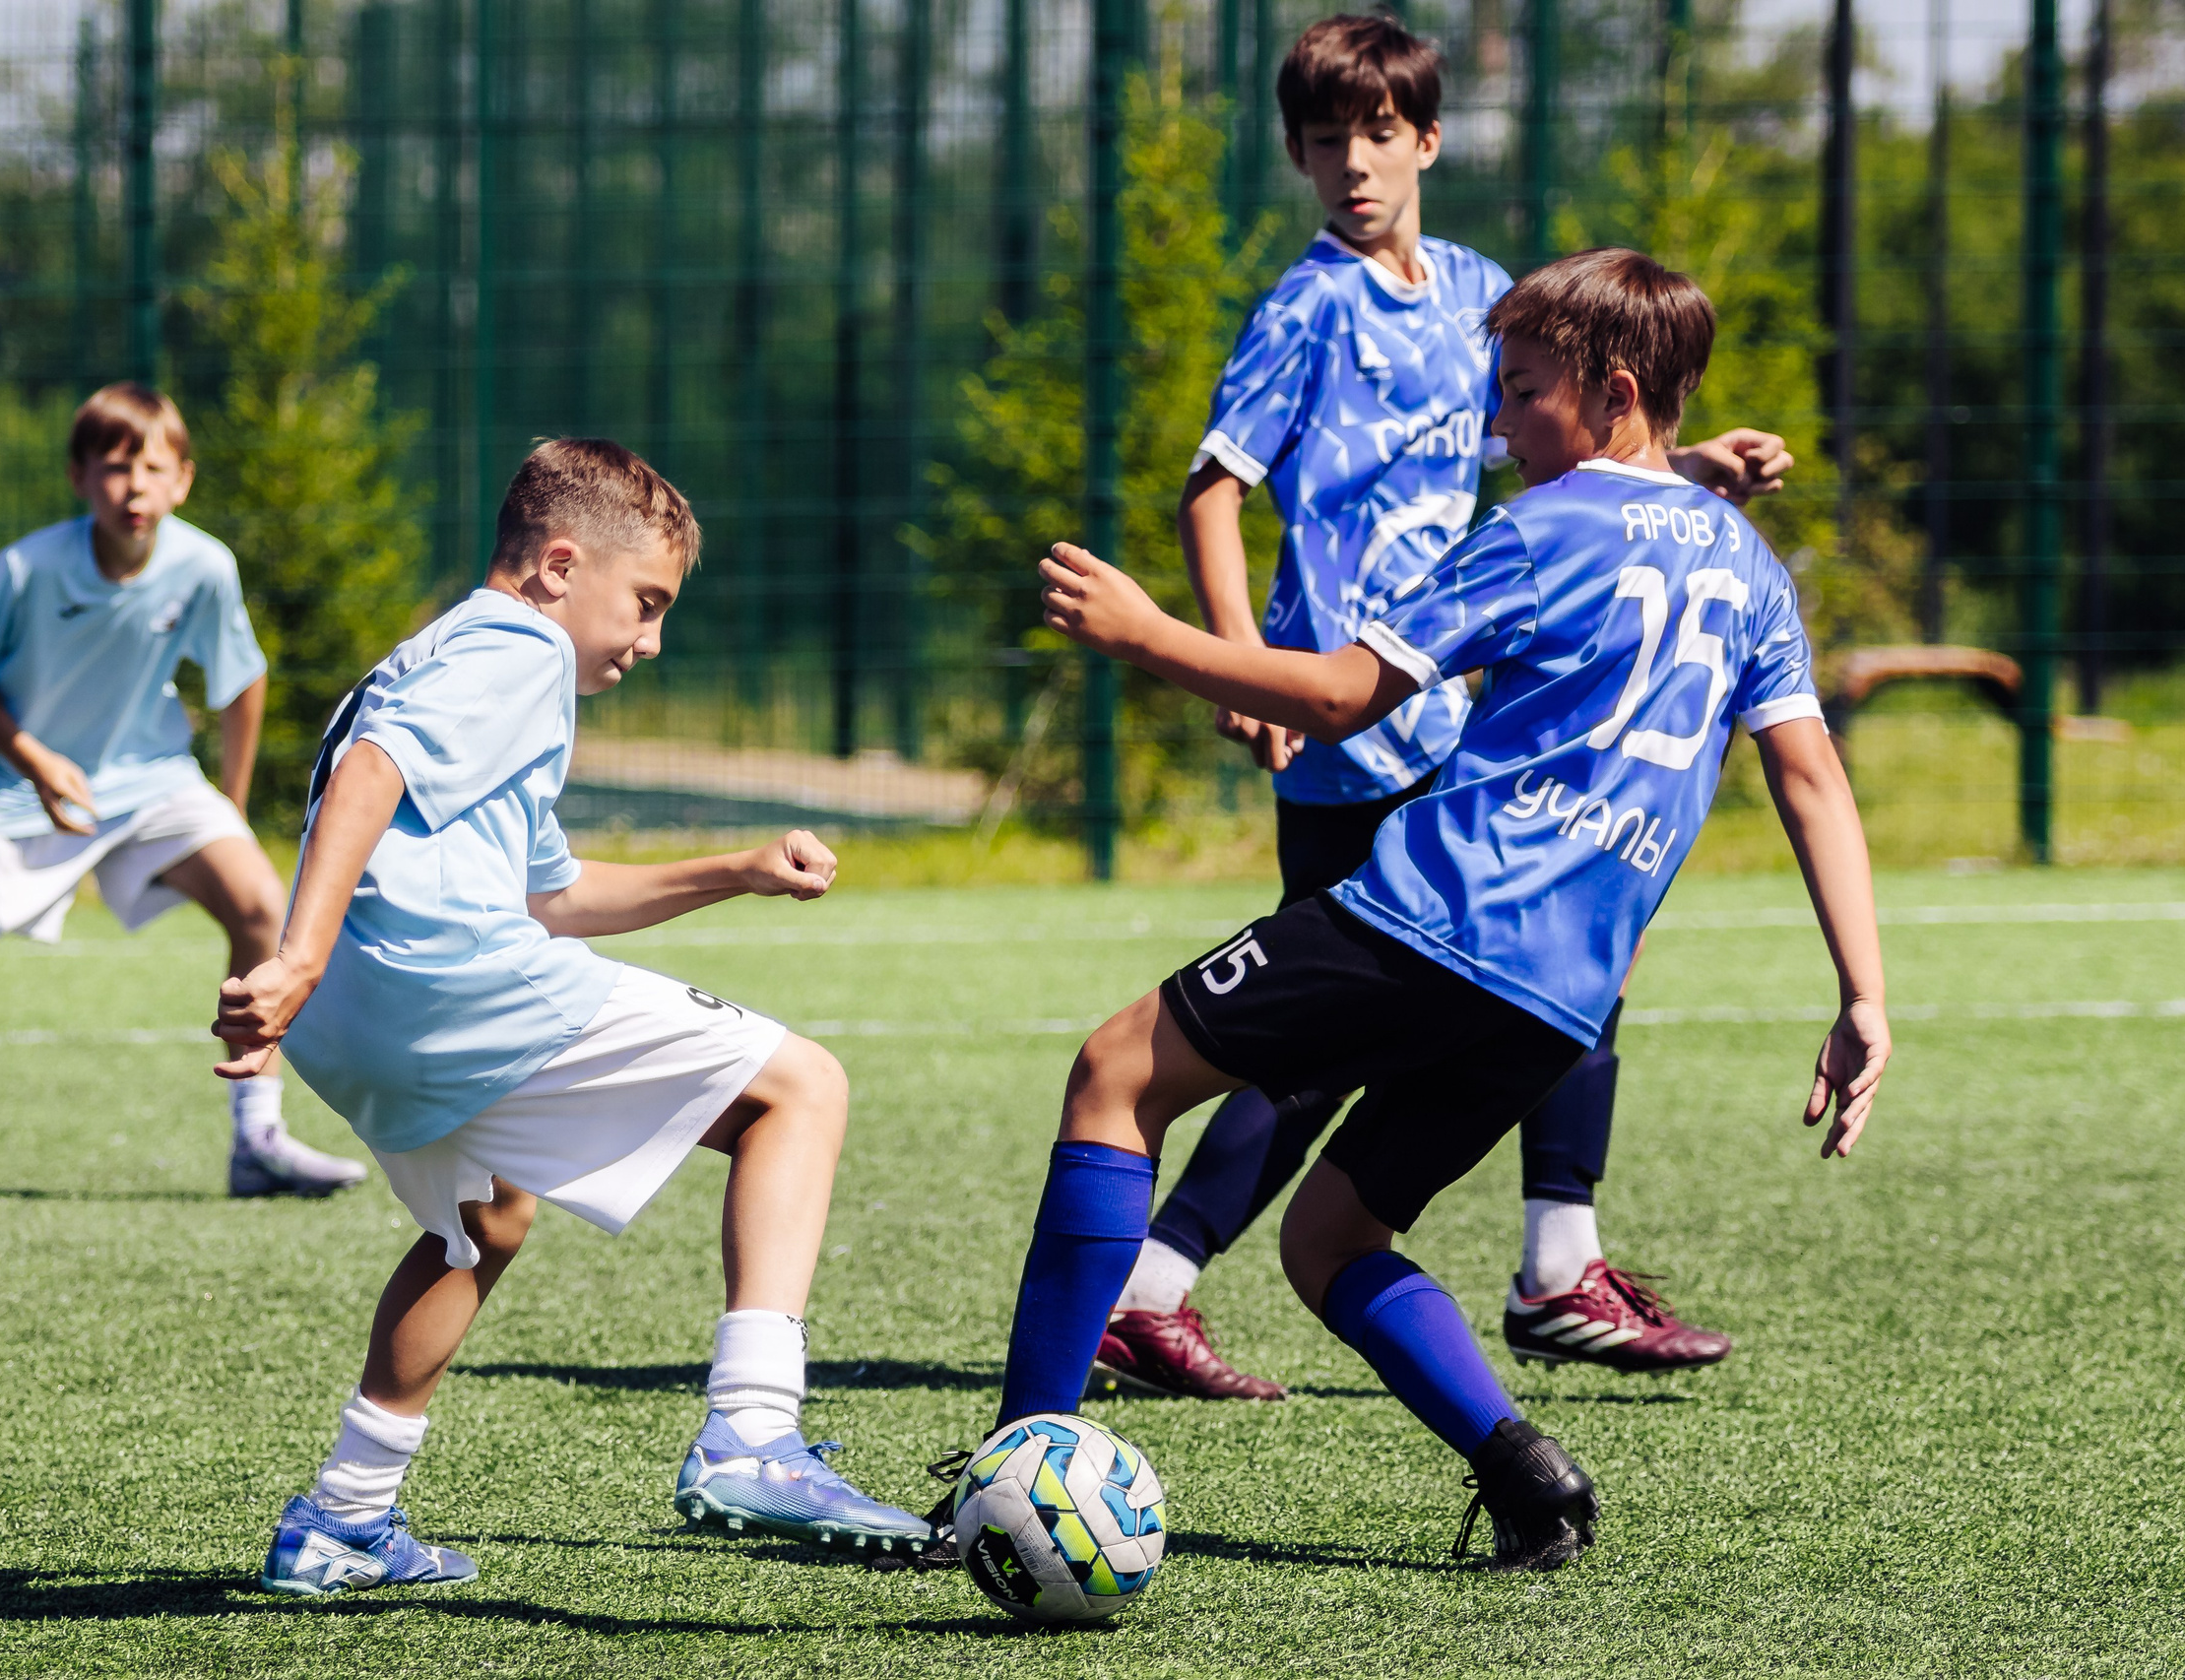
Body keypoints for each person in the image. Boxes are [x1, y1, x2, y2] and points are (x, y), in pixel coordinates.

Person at [992, 248, 1890, 1570]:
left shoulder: (1533, 530)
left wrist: (1142, 634)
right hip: (1562, 1003)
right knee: (1332, 1236)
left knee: (1116, 1070)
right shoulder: (1749, 569)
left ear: (1617, 394)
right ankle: (1528, 1475)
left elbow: (1344, 695)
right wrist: (1863, 991)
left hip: (1428, 917)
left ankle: (1020, 1463)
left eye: (1524, 393)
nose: (1500, 423)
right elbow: (1810, 774)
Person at [1097, 12, 1791, 1402]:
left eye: (1374, 133)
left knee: (1572, 968)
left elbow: (1554, 442)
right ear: (1295, 154)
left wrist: (1687, 466)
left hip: (1469, 706)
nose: (1349, 164)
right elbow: (1214, 486)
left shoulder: (1480, 288)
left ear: (1425, 138)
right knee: (1315, 1039)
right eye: (1320, 140)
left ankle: (1558, 1262)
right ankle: (1149, 1288)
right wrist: (1239, 662)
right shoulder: (1306, 306)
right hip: (1345, 711)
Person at [212, 440, 933, 1597]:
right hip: (443, 985)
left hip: (358, 1024)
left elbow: (553, 898)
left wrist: (734, 868)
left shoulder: (443, 655)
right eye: (644, 603)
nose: (650, 641)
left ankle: (342, 1517)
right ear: (558, 563)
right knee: (800, 1088)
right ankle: (754, 1428)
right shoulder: (515, 645)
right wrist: (290, 951)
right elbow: (374, 771)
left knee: (482, 1223)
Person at [0, 383, 364, 1210]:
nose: (135, 487)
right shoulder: (26, 567)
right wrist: (36, 761)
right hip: (14, 791)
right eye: (116, 469)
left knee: (263, 908)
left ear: (183, 480)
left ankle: (256, 1141)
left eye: (154, 468)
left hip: (151, 782)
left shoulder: (204, 565)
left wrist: (228, 802)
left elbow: (243, 680)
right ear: (80, 478)